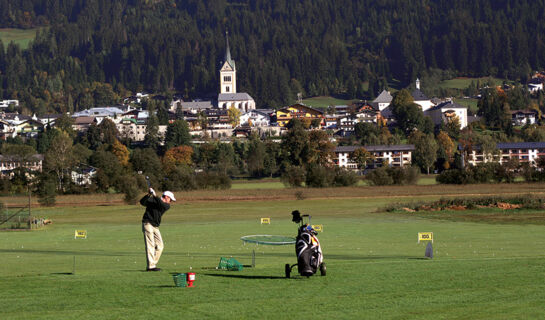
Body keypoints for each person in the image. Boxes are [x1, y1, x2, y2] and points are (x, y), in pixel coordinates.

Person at [140, 188, 176, 271]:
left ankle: (152, 264)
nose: (170, 202)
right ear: (167, 197)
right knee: (150, 245)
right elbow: (142, 202)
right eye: (170, 199)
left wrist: (155, 195)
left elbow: (161, 204)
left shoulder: (166, 206)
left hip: (155, 226)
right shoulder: (153, 200)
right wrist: (148, 194)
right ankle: (151, 266)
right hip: (147, 223)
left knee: (160, 246)